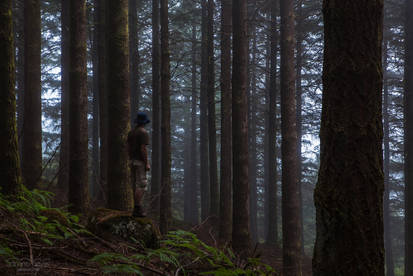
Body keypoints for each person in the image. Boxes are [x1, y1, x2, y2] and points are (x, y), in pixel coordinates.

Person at [127, 112, 151, 217]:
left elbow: (127, 147)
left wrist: (130, 158)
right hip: (139, 162)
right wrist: (147, 163)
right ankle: (137, 209)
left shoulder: (131, 133)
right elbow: (143, 149)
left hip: (131, 161)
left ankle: (136, 208)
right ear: (144, 122)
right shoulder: (143, 133)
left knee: (134, 185)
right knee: (142, 185)